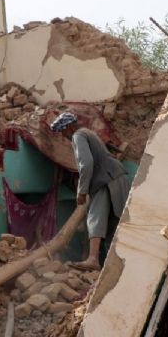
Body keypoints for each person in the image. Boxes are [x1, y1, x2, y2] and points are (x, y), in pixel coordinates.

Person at [50, 112, 131, 270]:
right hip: (118, 178)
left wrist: (82, 191)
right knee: (113, 226)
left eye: (62, 131)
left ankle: (93, 259)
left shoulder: (78, 135)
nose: (63, 136)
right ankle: (116, 267)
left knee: (95, 218)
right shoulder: (89, 133)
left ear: (69, 127)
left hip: (105, 180)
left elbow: (86, 164)